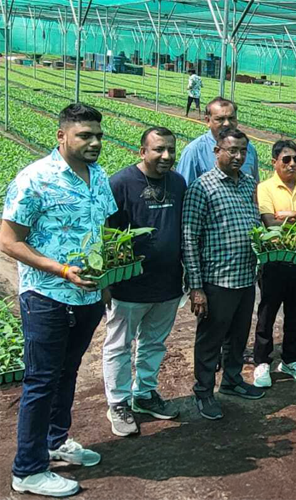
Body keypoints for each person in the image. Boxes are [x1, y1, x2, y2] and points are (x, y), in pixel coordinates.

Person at [2, 104, 117, 497]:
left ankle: (55, 440)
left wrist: (103, 284)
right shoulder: (35, 179)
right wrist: (61, 270)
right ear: (62, 136)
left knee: (68, 371)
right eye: (85, 135)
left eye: (98, 135)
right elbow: (8, 240)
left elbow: (99, 232)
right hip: (46, 295)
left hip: (86, 298)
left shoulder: (99, 177)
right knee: (41, 380)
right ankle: (28, 470)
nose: (95, 142)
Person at [102, 127, 186, 438]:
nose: (166, 156)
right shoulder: (121, 183)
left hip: (167, 283)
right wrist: (105, 282)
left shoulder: (177, 182)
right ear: (142, 152)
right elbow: (105, 234)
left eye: (171, 150)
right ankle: (118, 402)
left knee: (154, 343)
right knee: (119, 345)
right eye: (159, 150)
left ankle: (145, 393)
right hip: (129, 284)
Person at [182, 128, 264, 421]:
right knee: (210, 339)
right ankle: (204, 392)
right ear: (217, 152)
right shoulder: (201, 187)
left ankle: (232, 380)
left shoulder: (247, 184)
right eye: (232, 150)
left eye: (243, 151)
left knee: (238, 337)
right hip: (217, 280)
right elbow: (189, 238)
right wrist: (196, 287)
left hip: (244, 277)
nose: (238, 156)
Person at [252, 140, 296, 388]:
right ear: (274, 162)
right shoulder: (265, 187)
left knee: (295, 312)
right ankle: (262, 361)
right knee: (267, 312)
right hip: (274, 261)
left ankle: (291, 358)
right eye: (286, 159)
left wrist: (292, 215)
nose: (292, 164)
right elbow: (270, 222)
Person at [176, 97, 259, 187]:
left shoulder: (249, 149)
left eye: (231, 118)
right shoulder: (194, 151)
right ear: (208, 121)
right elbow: (183, 188)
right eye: (220, 119)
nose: (227, 123)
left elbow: (255, 188)